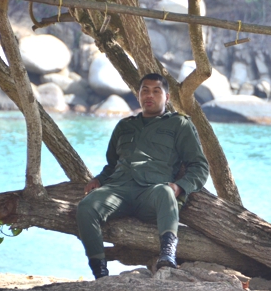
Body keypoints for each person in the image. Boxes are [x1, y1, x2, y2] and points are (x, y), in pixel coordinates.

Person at [76, 73, 209, 279]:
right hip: (118, 190)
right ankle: (99, 272)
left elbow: (199, 166)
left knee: (165, 192)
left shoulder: (179, 124)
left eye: (156, 91)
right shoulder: (124, 126)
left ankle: (167, 256)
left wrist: (180, 187)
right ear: (138, 95)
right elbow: (112, 164)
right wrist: (98, 180)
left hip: (152, 193)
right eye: (144, 90)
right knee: (85, 207)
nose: (150, 95)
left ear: (167, 97)